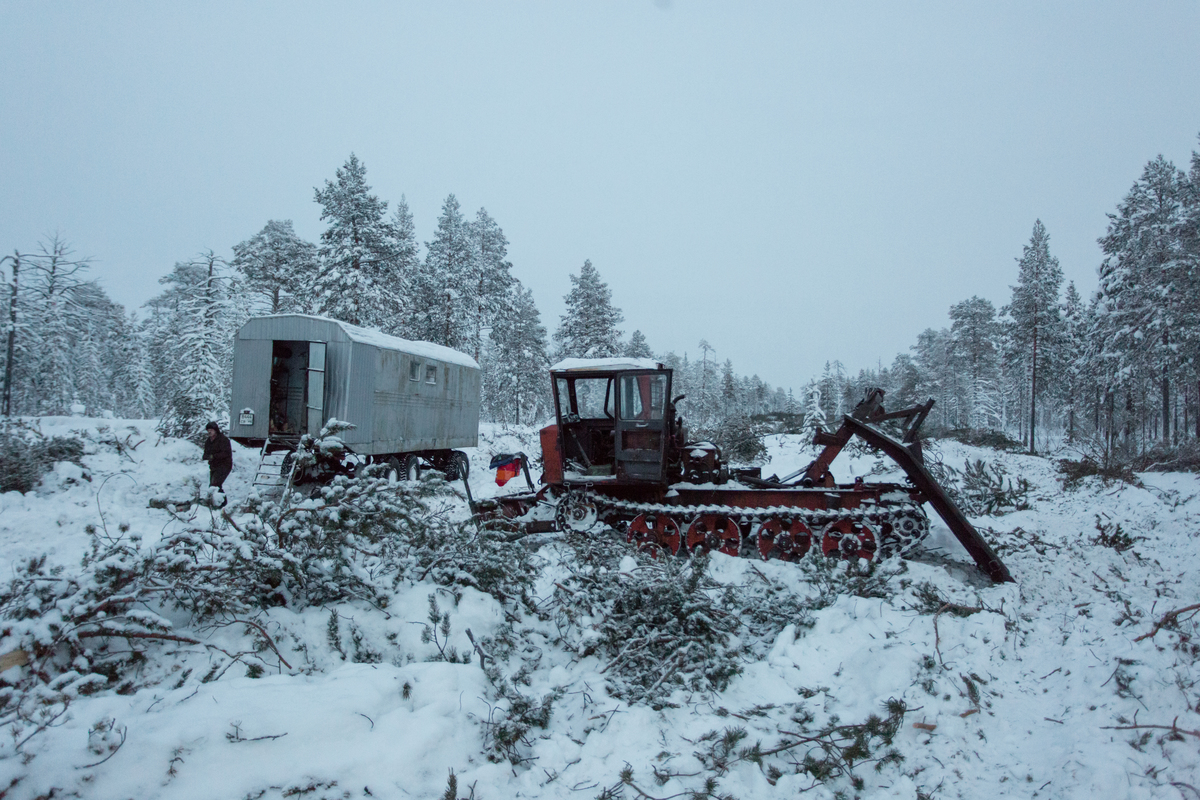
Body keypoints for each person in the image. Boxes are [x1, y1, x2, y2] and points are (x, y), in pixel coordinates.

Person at [203, 421, 233, 505]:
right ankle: (220, 502)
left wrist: (213, 456)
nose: (209, 432)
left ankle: (222, 503)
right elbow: (206, 453)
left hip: (224, 465)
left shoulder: (223, 440)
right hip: (213, 466)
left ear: (215, 430)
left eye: (211, 430)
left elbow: (226, 453)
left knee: (215, 485)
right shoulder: (208, 441)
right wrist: (206, 456)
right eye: (208, 430)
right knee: (214, 486)